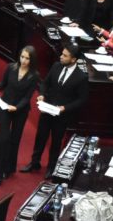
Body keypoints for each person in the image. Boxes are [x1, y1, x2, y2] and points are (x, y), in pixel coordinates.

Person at [21, 44, 89, 174]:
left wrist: (65, 108)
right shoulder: (56, 66)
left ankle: (51, 167)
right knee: (40, 137)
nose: (61, 57)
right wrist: (41, 94)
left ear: (73, 59)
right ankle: (34, 163)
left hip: (62, 116)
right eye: (62, 54)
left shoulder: (81, 77)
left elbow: (82, 100)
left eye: (65, 55)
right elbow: (45, 84)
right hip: (47, 110)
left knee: (56, 142)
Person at [0, 45, 39, 182]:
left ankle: (9, 168)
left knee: (15, 140)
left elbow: (27, 97)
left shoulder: (34, 76)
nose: (24, 60)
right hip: (5, 106)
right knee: (3, 140)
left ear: (32, 60)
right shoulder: (10, 67)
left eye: (27, 58)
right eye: (22, 57)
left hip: (21, 110)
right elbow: (3, 83)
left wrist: (17, 107)